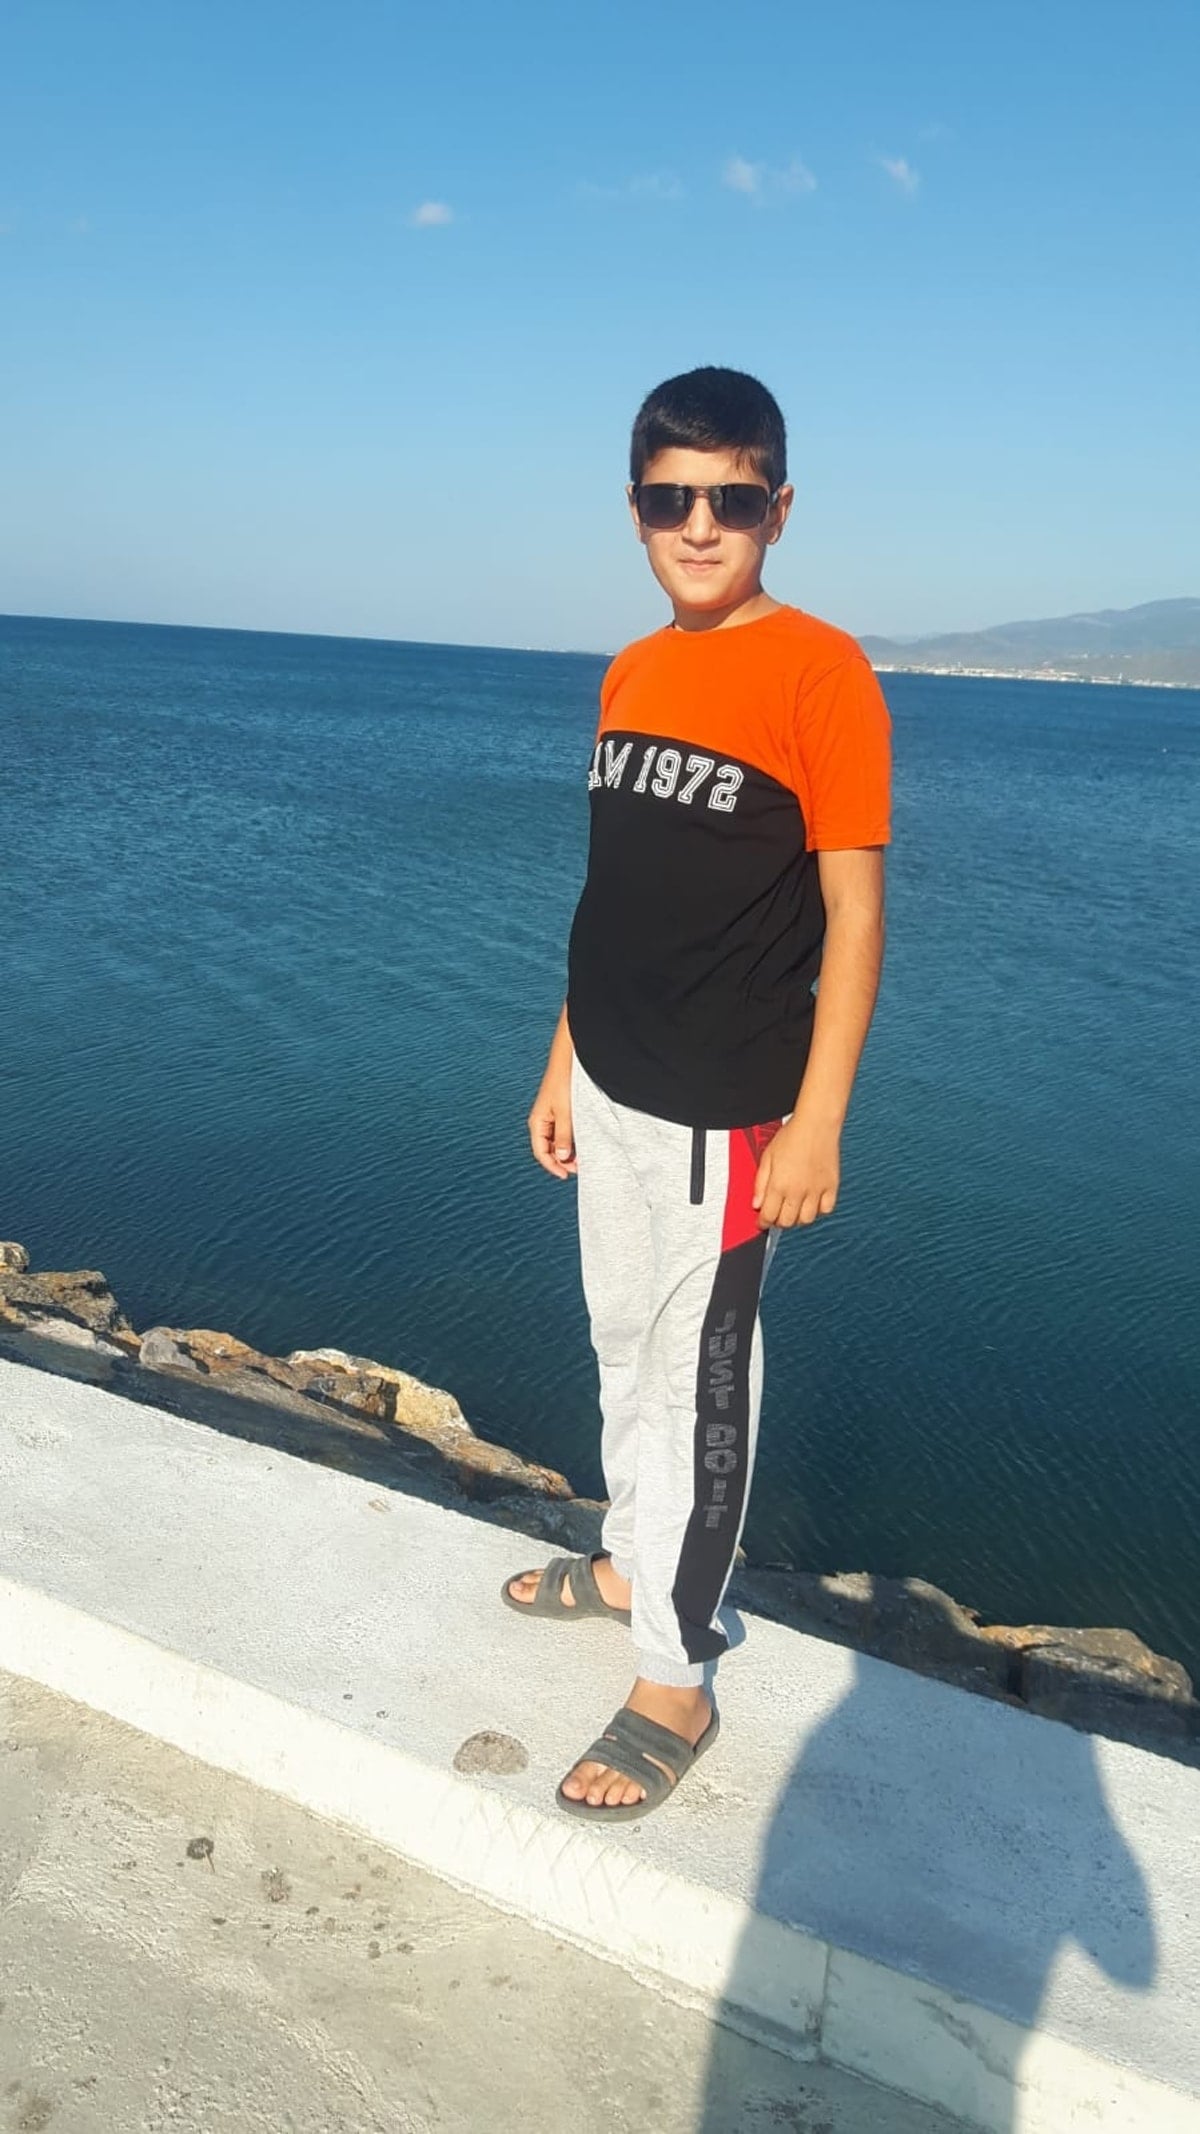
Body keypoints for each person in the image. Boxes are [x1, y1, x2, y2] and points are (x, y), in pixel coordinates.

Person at [503, 366, 892, 1821]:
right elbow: (616, 893)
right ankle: (629, 1560)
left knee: (702, 1382)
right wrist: (562, 1057)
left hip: (726, 1115)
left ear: (780, 509)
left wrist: (820, 1120)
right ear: (636, 510)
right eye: (673, 498)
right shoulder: (631, 670)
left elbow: (854, 914)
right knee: (623, 1347)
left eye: (733, 498)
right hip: (611, 1081)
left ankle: (675, 1675)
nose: (702, 524)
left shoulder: (821, 673)